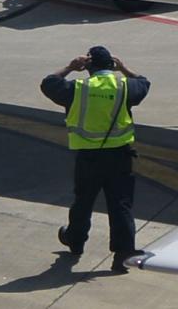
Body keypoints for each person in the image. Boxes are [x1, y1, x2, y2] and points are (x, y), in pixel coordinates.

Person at [40, 45, 150, 273]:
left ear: (87, 67)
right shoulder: (123, 86)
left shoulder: (77, 88)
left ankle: (75, 241)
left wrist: (70, 68)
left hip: (88, 157)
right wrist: (125, 68)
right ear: (112, 65)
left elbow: (48, 83)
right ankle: (123, 254)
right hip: (119, 156)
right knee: (120, 204)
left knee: (83, 201)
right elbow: (144, 83)